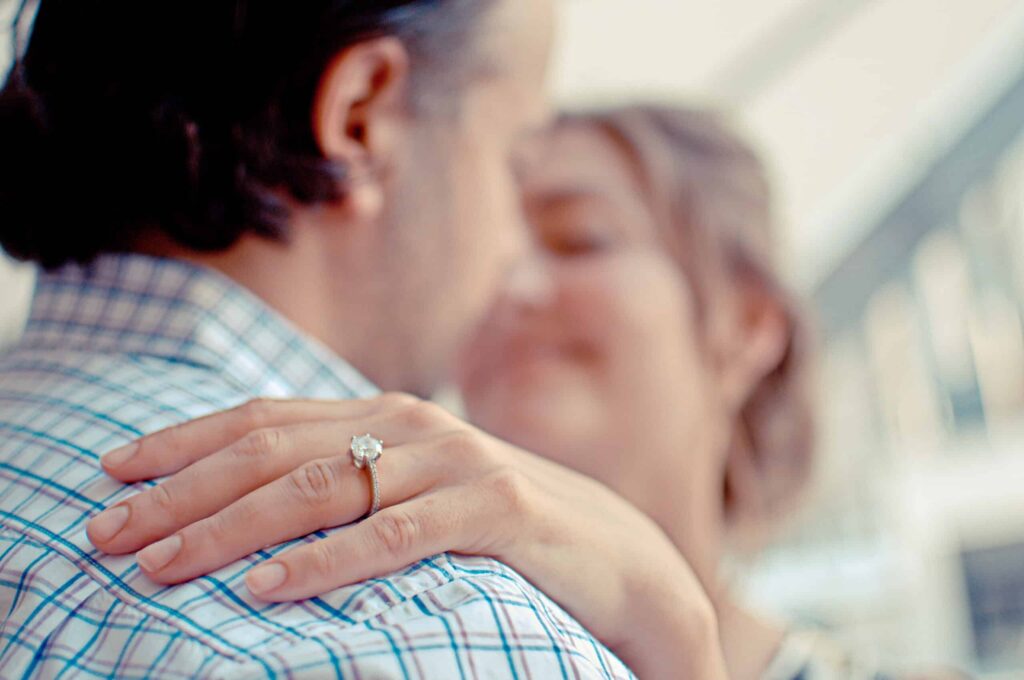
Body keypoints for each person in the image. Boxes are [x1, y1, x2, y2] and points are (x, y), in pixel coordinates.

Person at [0, 2, 727, 678]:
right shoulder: (451, 630)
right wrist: (680, 639)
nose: (511, 260)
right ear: (358, 118)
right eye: (514, 161)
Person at [82, 105, 873, 680]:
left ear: (745, 324)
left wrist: (673, 628)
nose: (512, 284)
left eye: (579, 239)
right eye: (501, 242)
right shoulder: (406, 627)